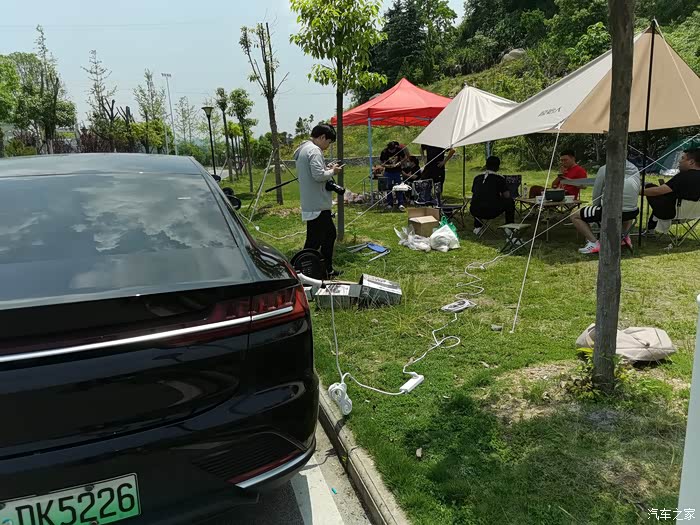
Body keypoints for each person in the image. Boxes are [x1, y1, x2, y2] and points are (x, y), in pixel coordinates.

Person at [294, 123, 343, 278]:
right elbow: (318, 176)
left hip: (312, 202)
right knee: (316, 241)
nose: (328, 146)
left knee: (324, 237)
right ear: (322, 137)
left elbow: (315, 172)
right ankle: (303, 271)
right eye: (328, 142)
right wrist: (333, 171)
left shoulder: (304, 148)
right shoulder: (314, 150)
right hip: (318, 204)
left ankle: (323, 270)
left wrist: (326, 168)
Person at [572, 159, 641, 254]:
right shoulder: (635, 169)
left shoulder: (604, 169)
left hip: (609, 211)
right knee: (625, 207)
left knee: (574, 215)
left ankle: (594, 243)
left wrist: (596, 208)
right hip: (632, 212)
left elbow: (597, 194)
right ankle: (624, 237)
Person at [643, 148, 700, 232]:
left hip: (673, 213)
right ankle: (651, 227)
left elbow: (658, 191)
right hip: (696, 214)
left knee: (651, 187)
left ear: (691, 162)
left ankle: (651, 227)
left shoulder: (683, 176)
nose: (679, 161)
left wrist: (637, 191)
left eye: (683, 158)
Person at [470, 156, 515, 236]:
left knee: (477, 200)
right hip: (491, 211)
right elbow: (507, 195)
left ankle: (478, 226)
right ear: (498, 167)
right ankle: (509, 226)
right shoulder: (500, 178)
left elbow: (474, 192)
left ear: (486, 165)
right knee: (510, 202)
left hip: (474, 210)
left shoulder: (477, 178)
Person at [380, 141, 407, 211]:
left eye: (394, 150)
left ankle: (400, 203)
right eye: (391, 150)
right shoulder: (384, 152)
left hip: (397, 171)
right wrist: (388, 166)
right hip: (388, 172)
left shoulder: (399, 150)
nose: (393, 151)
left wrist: (399, 163)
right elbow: (382, 163)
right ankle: (390, 203)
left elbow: (405, 158)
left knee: (399, 187)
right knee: (388, 187)